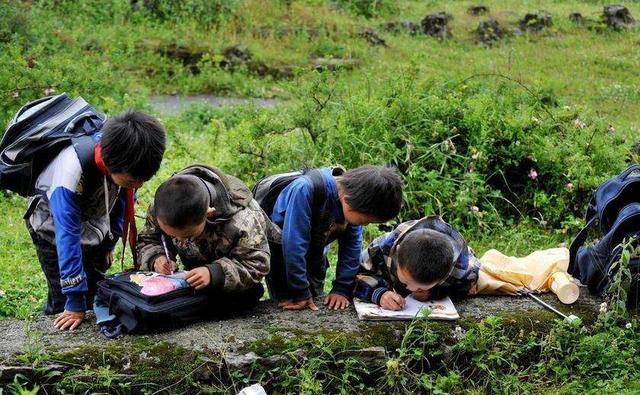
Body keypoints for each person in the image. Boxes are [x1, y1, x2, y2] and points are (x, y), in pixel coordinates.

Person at [26, 110, 166, 330]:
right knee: (63, 301)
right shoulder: (69, 172)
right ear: (111, 164)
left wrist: (108, 244)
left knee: (94, 288)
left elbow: (121, 203)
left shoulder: (127, 161)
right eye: (133, 180)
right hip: (52, 230)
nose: (138, 186)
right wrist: (73, 301)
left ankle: (81, 301)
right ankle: (51, 333)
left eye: (144, 180)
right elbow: (67, 236)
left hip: (94, 223)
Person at [137, 164, 274, 311]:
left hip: (232, 289)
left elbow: (256, 263)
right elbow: (148, 239)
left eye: (188, 236)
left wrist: (215, 273)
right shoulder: (162, 206)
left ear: (209, 214)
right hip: (193, 280)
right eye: (172, 235)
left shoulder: (242, 220)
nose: (180, 241)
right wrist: (156, 258)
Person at [267, 165, 403, 311]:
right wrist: (300, 291)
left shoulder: (356, 200)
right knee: (288, 301)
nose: (365, 224)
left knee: (314, 297)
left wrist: (342, 289)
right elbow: (294, 245)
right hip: (282, 256)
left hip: (316, 252)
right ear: (348, 201)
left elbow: (352, 249)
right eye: (365, 221)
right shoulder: (305, 189)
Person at [355, 216, 480, 310]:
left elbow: (465, 286)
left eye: (420, 288)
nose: (411, 289)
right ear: (398, 254)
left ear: (444, 275)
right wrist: (378, 293)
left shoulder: (463, 269)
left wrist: (435, 292)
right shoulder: (382, 248)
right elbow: (354, 273)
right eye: (405, 281)